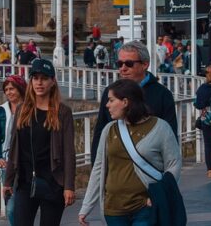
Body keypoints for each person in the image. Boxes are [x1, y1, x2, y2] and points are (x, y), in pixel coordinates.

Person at [78, 79, 182, 225]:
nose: (107, 105)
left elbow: (174, 164)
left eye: (111, 100)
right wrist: (86, 207)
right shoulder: (109, 130)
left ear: (125, 102)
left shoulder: (161, 128)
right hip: (113, 209)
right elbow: (98, 169)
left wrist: (159, 194)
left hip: (146, 206)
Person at [3, 59, 75, 225]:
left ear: (53, 81)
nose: (39, 83)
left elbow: (68, 152)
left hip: (53, 181)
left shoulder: (62, 112)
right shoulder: (23, 109)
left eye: (44, 78)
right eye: (35, 78)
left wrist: (69, 186)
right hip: (25, 181)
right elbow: (14, 147)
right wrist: (8, 180)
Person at [90, 41, 178, 162]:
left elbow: (171, 139)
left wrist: (168, 176)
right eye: (119, 63)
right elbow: (100, 132)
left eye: (129, 64)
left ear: (145, 64)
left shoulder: (163, 95)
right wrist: (96, 169)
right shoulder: (109, 93)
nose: (123, 68)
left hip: (149, 171)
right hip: (116, 171)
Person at [0, 75, 26, 226]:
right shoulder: (1, 111)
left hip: (26, 161)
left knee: (25, 207)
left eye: (12, 89)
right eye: (6, 90)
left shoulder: (29, 108)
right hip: (7, 162)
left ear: (20, 89)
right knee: (10, 208)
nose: (9, 92)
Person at [194, 61, 211, 178]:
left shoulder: (202, 89)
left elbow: (198, 104)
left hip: (206, 119)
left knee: (209, 145)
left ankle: (210, 170)